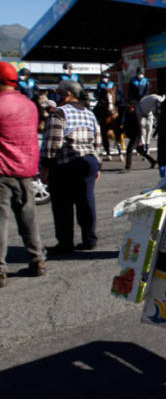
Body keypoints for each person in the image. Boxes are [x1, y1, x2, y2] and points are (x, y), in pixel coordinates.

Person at [40, 79, 102, 253]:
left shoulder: (59, 113)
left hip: (66, 163)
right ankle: (90, 239)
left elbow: (52, 143)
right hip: (89, 162)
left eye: (59, 93)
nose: (57, 97)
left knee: (62, 204)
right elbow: (98, 141)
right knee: (86, 201)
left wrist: (45, 166)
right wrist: (98, 165)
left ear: (68, 94)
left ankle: (66, 243)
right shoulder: (90, 113)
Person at [0, 62, 46, 287]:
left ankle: (0, 270)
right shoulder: (29, 105)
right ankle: (37, 260)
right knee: (28, 218)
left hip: (2, 171)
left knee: (1, 221)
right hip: (26, 170)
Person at [122, 100, 156, 171]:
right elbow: (125, 124)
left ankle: (128, 167)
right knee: (141, 151)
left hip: (136, 136)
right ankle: (153, 161)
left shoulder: (135, 115)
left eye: (129, 107)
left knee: (129, 150)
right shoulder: (127, 114)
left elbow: (139, 128)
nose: (128, 108)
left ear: (133, 107)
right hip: (132, 135)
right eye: (127, 107)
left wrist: (140, 140)